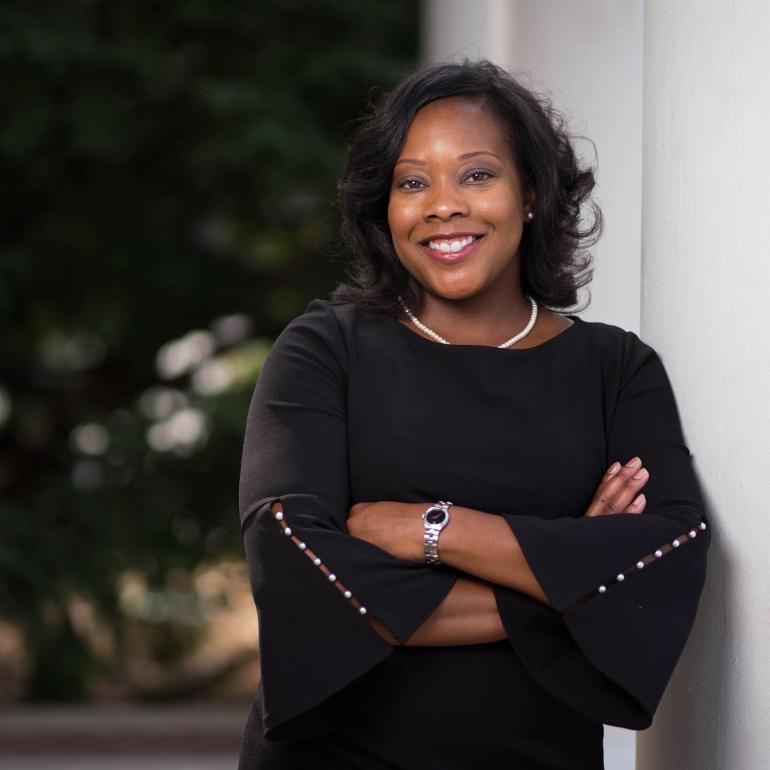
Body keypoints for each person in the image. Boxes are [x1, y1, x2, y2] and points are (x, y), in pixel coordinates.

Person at [236, 59, 710, 770]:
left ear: (530, 194)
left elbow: (667, 557)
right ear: (385, 208)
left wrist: (435, 529)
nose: (442, 205)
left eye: (477, 174)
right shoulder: (326, 349)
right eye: (412, 182)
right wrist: (571, 573)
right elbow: (295, 563)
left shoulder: (616, 370)